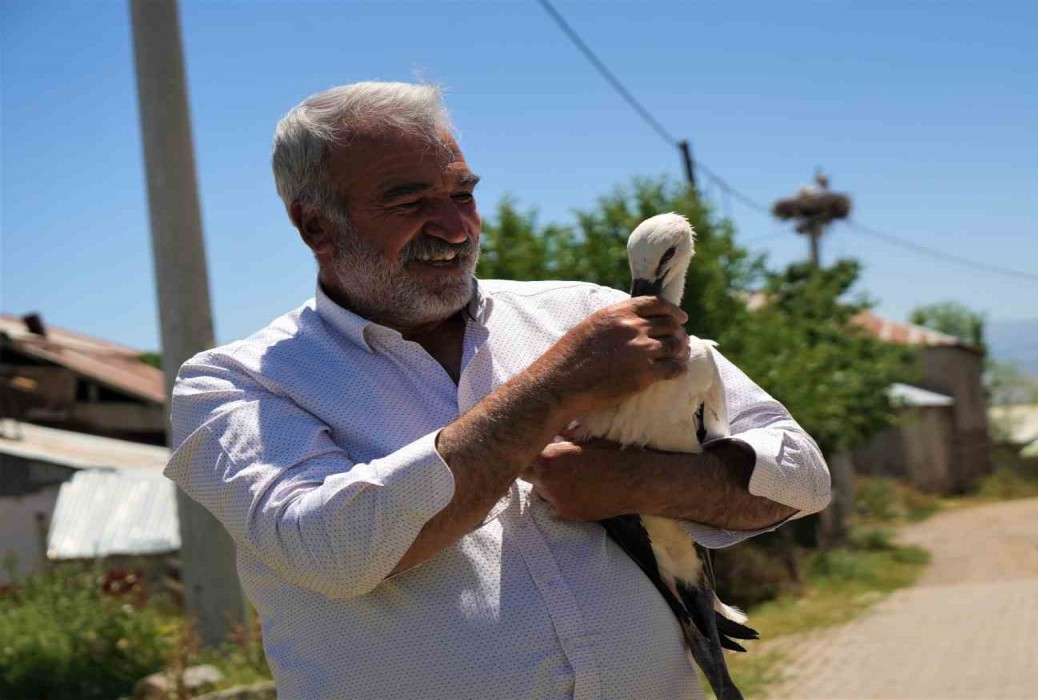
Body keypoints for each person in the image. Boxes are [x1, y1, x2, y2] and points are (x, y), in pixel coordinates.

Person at [165, 81, 830, 699]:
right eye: (409, 201)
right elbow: (334, 552)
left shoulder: (585, 313)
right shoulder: (235, 384)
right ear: (315, 225)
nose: (455, 228)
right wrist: (558, 385)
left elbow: (801, 477)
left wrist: (638, 482)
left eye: (461, 194)